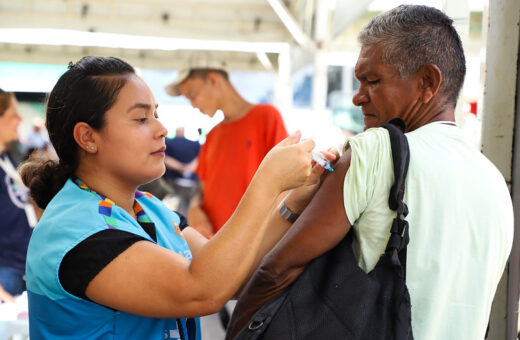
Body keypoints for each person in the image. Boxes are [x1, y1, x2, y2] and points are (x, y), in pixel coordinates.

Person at [228, 5, 514, 340]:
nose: (357, 97)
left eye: (372, 81)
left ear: (428, 82)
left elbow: (276, 270)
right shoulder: (494, 182)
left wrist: (240, 331)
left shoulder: (375, 151)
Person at [20, 56, 333, 339]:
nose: (161, 129)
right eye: (141, 119)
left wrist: (293, 203)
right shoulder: (75, 230)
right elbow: (202, 291)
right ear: (88, 137)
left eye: (156, 114)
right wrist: (268, 183)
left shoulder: (147, 208)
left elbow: (234, 278)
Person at [166, 56, 288, 238]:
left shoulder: (267, 117)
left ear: (214, 80)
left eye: (192, 95)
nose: (192, 105)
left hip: (253, 244)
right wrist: (194, 208)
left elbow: (286, 183)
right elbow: (202, 188)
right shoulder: (212, 134)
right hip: (214, 243)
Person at [0, 89, 35, 303]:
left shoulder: (7, 159)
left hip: (25, 267)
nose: (20, 119)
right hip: (6, 274)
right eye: (13, 114)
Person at [163, 127, 200, 215]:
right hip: (192, 181)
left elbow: (165, 159)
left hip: (172, 180)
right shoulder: (194, 144)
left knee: (171, 206)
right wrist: (188, 169)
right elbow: (199, 159)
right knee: (187, 207)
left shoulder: (168, 144)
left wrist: (180, 167)